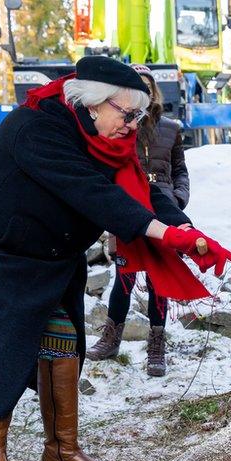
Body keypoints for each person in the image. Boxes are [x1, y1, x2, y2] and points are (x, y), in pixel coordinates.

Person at [0, 56, 231, 461]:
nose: (134, 125)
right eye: (128, 114)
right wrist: (165, 236)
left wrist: (187, 231)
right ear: (96, 103)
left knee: (63, 338)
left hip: (49, 250)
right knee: (2, 339)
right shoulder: (40, 126)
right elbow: (94, 193)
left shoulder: (106, 140)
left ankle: (61, 449)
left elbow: (141, 193)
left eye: (140, 115)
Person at [87, 64, 191, 377]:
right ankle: (111, 338)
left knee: (159, 279)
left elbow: (180, 169)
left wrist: (179, 197)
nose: (141, 92)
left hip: (164, 208)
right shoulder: (119, 125)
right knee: (125, 276)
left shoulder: (170, 128)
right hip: (128, 208)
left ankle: (156, 347)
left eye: (145, 86)